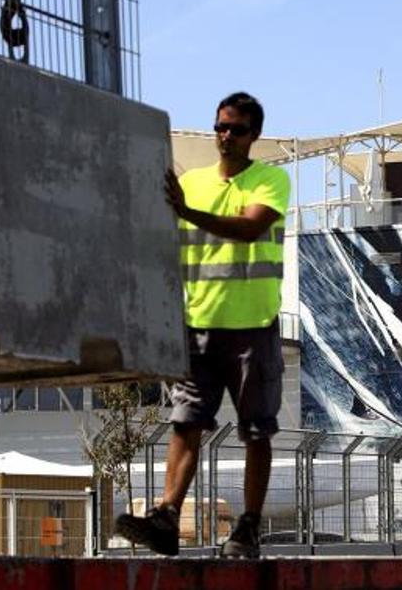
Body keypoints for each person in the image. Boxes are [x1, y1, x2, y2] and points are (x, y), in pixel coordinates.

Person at [114, 92, 290, 559]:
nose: (225, 136)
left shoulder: (271, 180)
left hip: (252, 326)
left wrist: (189, 213)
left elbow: (250, 228)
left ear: (253, 136)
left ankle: (247, 528)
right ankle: (166, 516)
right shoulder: (190, 182)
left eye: (235, 129)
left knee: (256, 429)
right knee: (185, 421)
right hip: (198, 325)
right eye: (220, 128)